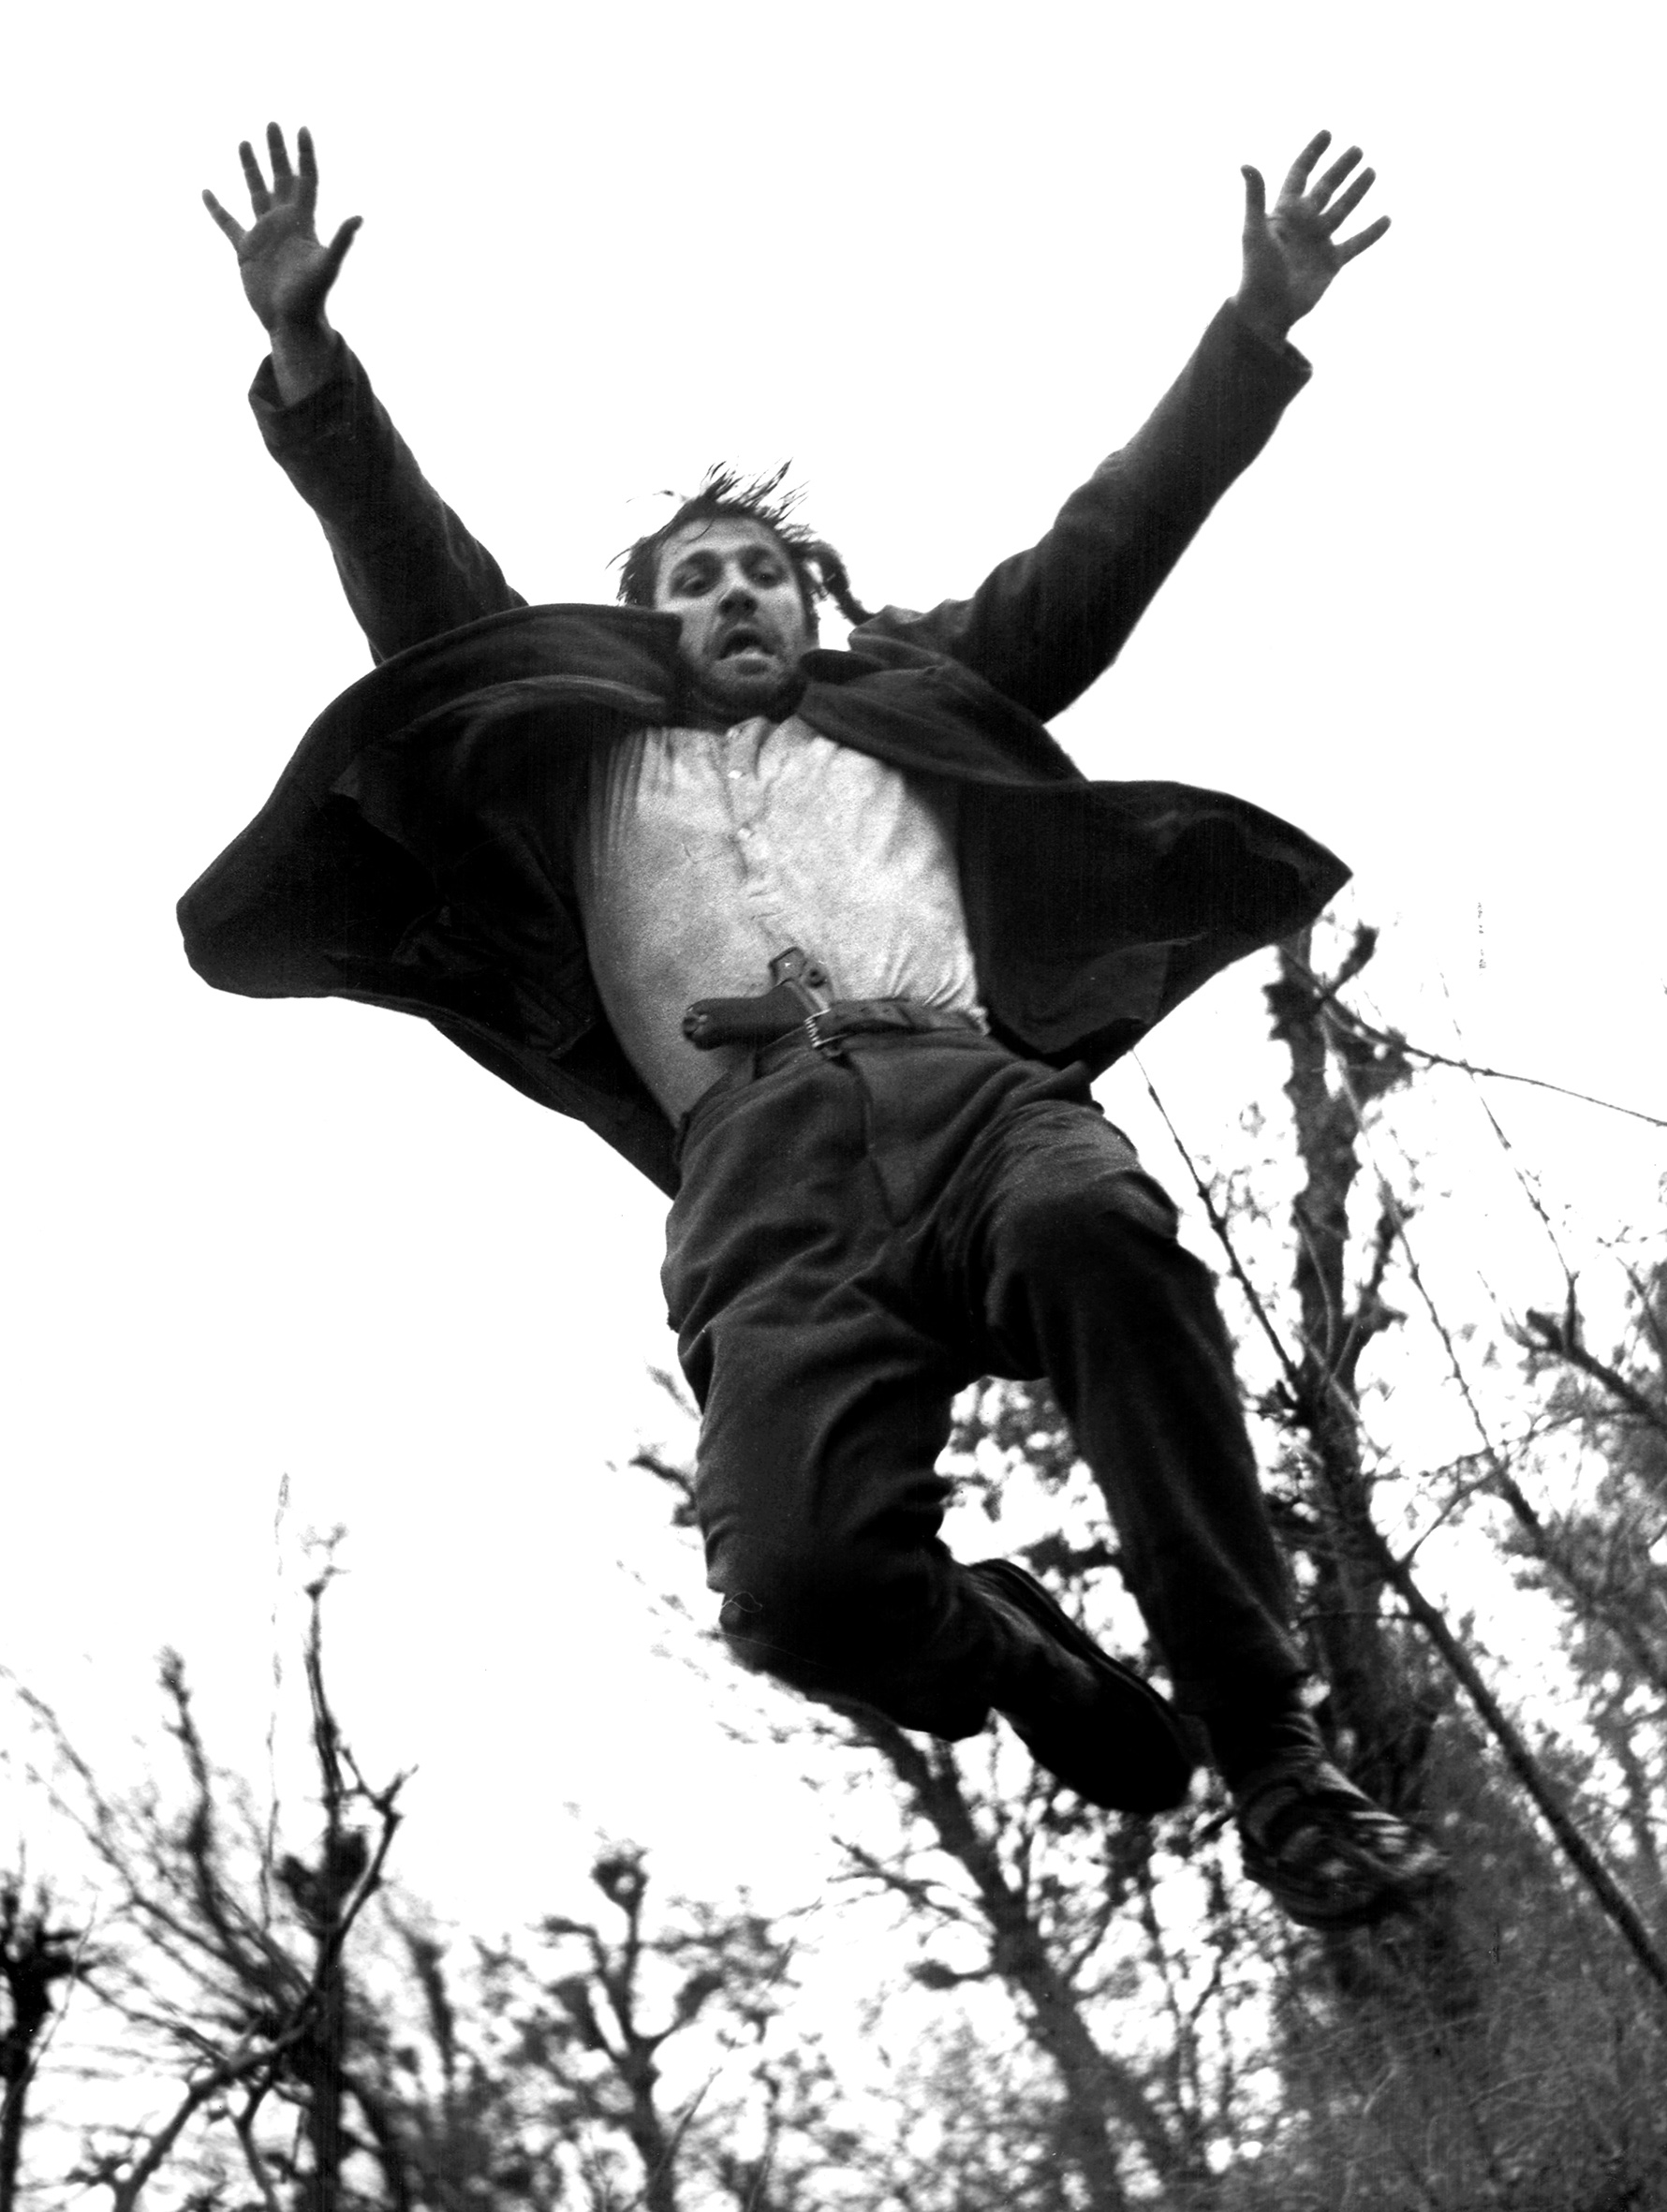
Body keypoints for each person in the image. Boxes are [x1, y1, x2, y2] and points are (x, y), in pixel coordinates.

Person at [185, 124, 1445, 1930]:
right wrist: (310, 359)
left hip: (970, 1101)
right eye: (696, 580)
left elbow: (1104, 545)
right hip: (756, 1185)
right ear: (645, 625)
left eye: (762, 573)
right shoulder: (576, 756)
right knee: (793, 1586)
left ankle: (1279, 1761)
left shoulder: (915, 697)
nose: (735, 597)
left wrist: (1252, 334)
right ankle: (1029, 1658)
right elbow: (414, 566)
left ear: (812, 603)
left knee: (1096, 1226)